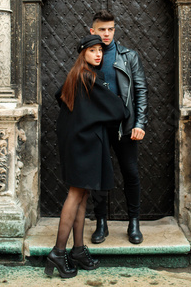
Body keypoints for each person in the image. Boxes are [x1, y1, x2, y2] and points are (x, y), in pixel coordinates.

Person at [45, 34, 129, 279]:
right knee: (75, 194)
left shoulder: (76, 76)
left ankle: (78, 250)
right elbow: (118, 110)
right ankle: (59, 252)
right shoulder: (89, 77)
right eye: (92, 51)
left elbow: (60, 97)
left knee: (81, 194)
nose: (98, 54)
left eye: (100, 50)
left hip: (77, 142)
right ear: (83, 54)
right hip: (85, 144)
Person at [90, 9, 148, 245]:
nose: (106, 33)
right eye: (101, 29)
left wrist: (139, 123)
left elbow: (140, 91)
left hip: (125, 126)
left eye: (110, 29)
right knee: (100, 176)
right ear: (92, 30)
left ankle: (134, 222)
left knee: (130, 174)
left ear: (114, 29)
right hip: (98, 127)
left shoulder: (129, 56)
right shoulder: (90, 55)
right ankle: (101, 223)